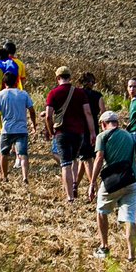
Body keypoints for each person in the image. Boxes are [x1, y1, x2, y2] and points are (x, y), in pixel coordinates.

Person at [89, 110, 136, 262]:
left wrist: (92, 182)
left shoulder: (102, 136)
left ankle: (104, 246)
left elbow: (99, 158)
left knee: (101, 211)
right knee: (130, 218)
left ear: (103, 124)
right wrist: (133, 165)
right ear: (117, 123)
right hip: (131, 182)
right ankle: (131, 256)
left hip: (112, 182)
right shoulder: (130, 136)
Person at [44, 66, 95, 203]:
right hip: (79, 132)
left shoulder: (53, 93)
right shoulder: (80, 93)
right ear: (70, 77)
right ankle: (73, 186)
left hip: (62, 132)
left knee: (65, 163)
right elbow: (88, 113)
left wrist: (51, 132)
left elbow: (48, 116)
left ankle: (70, 197)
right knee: (74, 160)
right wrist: (92, 132)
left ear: (57, 78)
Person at [0, 72, 38, 182]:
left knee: (4, 154)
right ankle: (25, 176)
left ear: (4, 82)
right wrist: (34, 124)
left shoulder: (1, 95)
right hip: (21, 129)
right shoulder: (23, 94)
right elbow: (32, 110)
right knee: (23, 154)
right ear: (16, 82)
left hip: (7, 130)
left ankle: (4, 176)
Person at [75, 73, 106, 193]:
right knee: (85, 159)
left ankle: (92, 187)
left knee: (85, 158)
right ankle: (76, 186)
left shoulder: (77, 94)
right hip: (93, 129)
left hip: (80, 128)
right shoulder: (98, 95)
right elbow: (103, 112)